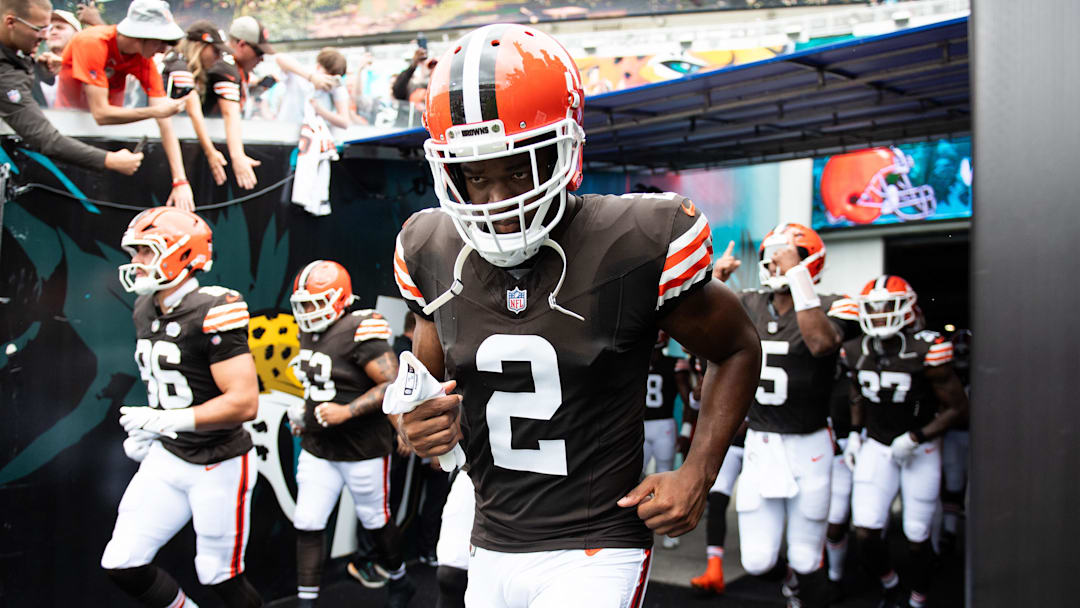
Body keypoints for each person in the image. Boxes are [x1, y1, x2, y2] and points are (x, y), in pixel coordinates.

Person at [390, 24, 761, 607]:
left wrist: (698, 472)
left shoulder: (634, 239)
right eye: (475, 174)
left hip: (596, 542)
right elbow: (427, 394)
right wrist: (415, 425)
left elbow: (737, 347)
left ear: (565, 150)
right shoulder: (430, 247)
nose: (496, 199)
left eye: (518, 167)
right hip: (492, 535)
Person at [104, 206, 263, 607]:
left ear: (182, 254)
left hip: (218, 461)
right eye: (134, 252)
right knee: (122, 560)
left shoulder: (215, 307)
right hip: (170, 454)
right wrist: (156, 428)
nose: (135, 262)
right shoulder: (145, 306)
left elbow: (244, 402)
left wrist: (164, 419)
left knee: (218, 575)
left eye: (145, 251)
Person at [711, 225, 860, 608]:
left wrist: (797, 277)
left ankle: (810, 584)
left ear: (811, 262)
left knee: (807, 557)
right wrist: (712, 284)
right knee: (757, 561)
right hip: (761, 443)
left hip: (809, 444)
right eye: (773, 256)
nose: (776, 262)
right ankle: (792, 579)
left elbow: (820, 343)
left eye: (788, 256)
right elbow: (704, 338)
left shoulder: (836, 303)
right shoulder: (748, 303)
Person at [287, 260, 415, 608]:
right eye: (304, 304)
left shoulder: (362, 327)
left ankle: (400, 579)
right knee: (308, 521)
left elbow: (390, 383)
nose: (309, 311)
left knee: (375, 520)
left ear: (340, 299)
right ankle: (306, 601)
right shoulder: (308, 331)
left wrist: (347, 410)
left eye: (316, 302)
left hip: (363, 449)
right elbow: (320, 383)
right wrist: (305, 411)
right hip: (318, 447)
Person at [842, 275, 968, 608]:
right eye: (874, 309)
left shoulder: (927, 347)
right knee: (865, 530)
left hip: (921, 447)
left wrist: (917, 436)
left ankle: (918, 597)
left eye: (888, 309)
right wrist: (856, 432)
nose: (880, 316)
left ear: (908, 309)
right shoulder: (855, 348)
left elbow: (958, 408)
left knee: (916, 534)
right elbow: (857, 392)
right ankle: (890, 584)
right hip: (878, 444)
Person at [54, 0, 192, 209]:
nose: (164, 50)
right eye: (160, 41)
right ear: (141, 35)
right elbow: (100, 114)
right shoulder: (92, 42)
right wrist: (155, 111)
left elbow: (165, 122)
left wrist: (180, 181)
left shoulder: (142, 59)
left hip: (107, 143)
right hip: (68, 136)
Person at [0, 0, 141, 174]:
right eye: (39, 29)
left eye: (49, 28)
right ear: (10, 23)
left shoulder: (17, 57)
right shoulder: (5, 74)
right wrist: (108, 160)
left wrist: (36, 70)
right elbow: (45, 139)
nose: (46, 35)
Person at [161, 20, 261, 190]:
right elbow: (193, 110)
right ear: (199, 46)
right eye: (215, 51)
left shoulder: (184, 64)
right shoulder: (178, 65)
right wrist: (211, 151)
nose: (217, 57)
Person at [687, 354, 746, 596]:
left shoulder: (744, 348)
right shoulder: (700, 358)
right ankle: (714, 568)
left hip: (762, 438)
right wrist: (697, 394)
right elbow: (697, 403)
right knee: (718, 500)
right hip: (731, 443)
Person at [643, 329, 691, 550]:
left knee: (666, 478)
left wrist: (686, 430)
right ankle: (637, 525)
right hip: (643, 427)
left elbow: (688, 399)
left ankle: (669, 529)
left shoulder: (675, 363)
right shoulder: (638, 361)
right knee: (633, 477)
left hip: (663, 426)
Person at [274, 47, 348, 136]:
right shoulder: (300, 74)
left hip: (317, 138)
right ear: (318, 66)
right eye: (327, 74)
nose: (328, 80)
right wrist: (311, 77)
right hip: (288, 132)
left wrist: (320, 110)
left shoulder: (337, 87)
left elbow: (344, 122)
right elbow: (279, 57)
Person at [225, 15, 272, 115]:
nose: (261, 59)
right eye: (259, 53)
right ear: (242, 45)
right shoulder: (226, 71)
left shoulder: (239, 70)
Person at [31, 8, 78, 106]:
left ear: (77, 34)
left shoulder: (88, 67)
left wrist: (66, 66)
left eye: (60, 27)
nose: (53, 32)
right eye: (50, 29)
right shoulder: (34, 69)